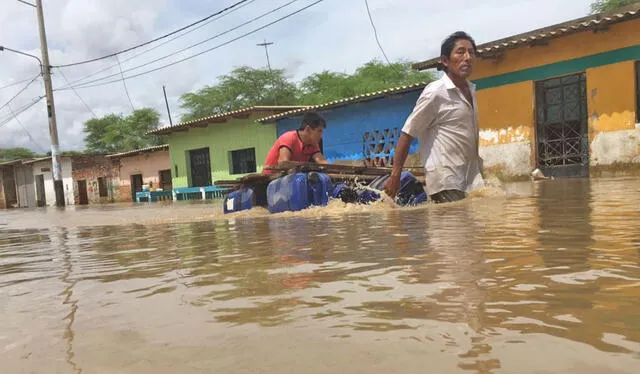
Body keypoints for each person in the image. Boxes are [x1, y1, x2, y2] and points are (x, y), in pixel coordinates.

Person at [383, 31, 484, 203]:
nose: (467, 57)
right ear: (445, 60)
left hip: (471, 180)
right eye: (460, 52)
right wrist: (395, 175)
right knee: (455, 228)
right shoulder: (436, 92)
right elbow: (407, 133)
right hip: (446, 181)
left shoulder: (471, 91)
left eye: (471, 52)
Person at [262, 111, 329, 174]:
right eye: (319, 131)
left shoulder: (313, 144)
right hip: (269, 180)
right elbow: (283, 163)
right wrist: (308, 166)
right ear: (308, 129)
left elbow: (322, 162)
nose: (321, 136)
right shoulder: (289, 138)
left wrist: (337, 168)